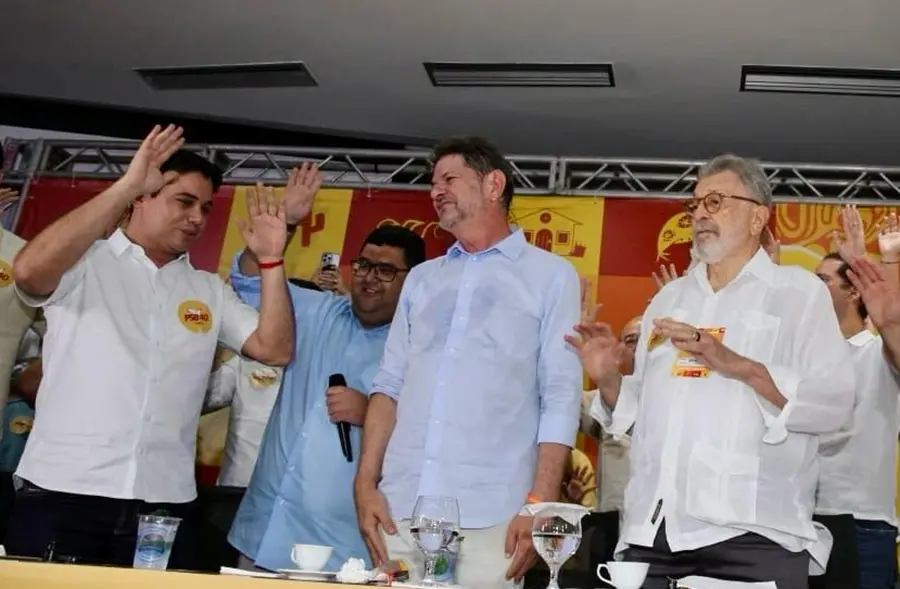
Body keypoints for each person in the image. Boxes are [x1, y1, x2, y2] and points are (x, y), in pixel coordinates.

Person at [6, 125, 295, 567]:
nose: (197, 218)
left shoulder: (208, 289)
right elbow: (27, 273)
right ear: (142, 197)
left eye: (205, 207)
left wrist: (272, 260)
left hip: (164, 503)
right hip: (64, 491)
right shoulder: (85, 263)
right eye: (184, 201)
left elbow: (274, 349)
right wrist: (125, 186)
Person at [567, 154, 854, 589]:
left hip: (753, 535)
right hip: (653, 533)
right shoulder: (669, 300)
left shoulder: (799, 293)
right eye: (695, 203)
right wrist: (607, 377)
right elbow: (643, 417)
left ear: (758, 216)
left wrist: (737, 365)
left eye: (716, 201)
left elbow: (834, 403)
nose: (700, 213)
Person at [354, 136, 582, 589]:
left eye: (449, 179)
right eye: (432, 182)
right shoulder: (422, 279)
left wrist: (539, 503)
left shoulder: (551, 276)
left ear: (493, 185)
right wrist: (365, 485)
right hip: (400, 509)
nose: (435, 191)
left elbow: (561, 394)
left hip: (494, 518)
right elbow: (389, 385)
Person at [227, 173, 427, 572]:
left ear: (415, 281)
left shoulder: (422, 350)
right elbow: (248, 281)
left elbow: (433, 436)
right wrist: (286, 223)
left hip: (344, 547)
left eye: (386, 271)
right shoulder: (314, 311)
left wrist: (370, 412)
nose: (369, 277)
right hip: (264, 531)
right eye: (364, 265)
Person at [813, 206, 900, 589]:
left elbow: (893, 322)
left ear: (852, 291)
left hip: (862, 524)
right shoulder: (806, 359)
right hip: (800, 520)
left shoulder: (879, 351)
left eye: (822, 280)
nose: (813, 288)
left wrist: (884, 262)